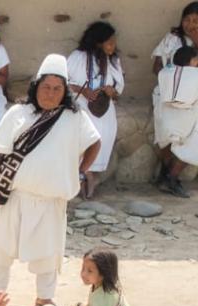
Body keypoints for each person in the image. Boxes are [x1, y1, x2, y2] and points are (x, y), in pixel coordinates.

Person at [0, 55, 101, 306]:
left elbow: (95, 143)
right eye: (45, 87)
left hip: (51, 199)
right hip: (12, 196)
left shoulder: (74, 118)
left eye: (57, 89)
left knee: (48, 254)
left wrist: (80, 171)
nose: (50, 93)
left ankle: (45, 297)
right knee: (1, 249)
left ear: (65, 92)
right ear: (36, 87)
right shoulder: (17, 113)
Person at [152, 2, 198, 198]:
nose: (190, 24)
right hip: (169, 94)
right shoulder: (172, 39)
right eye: (187, 20)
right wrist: (176, 78)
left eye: (195, 21)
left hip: (197, 97)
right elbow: (157, 66)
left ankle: (171, 176)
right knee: (164, 132)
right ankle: (167, 174)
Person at [69, 22, 125, 200]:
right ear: (97, 42)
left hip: (103, 109)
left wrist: (111, 92)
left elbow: (119, 91)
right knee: (81, 136)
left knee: (102, 135)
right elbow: (63, 81)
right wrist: (83, 90)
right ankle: (84, 176)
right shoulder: (78, 57)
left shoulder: (113, 61)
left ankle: (89, 175)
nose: (113, 46)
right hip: (81, 106)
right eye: (109, 42)